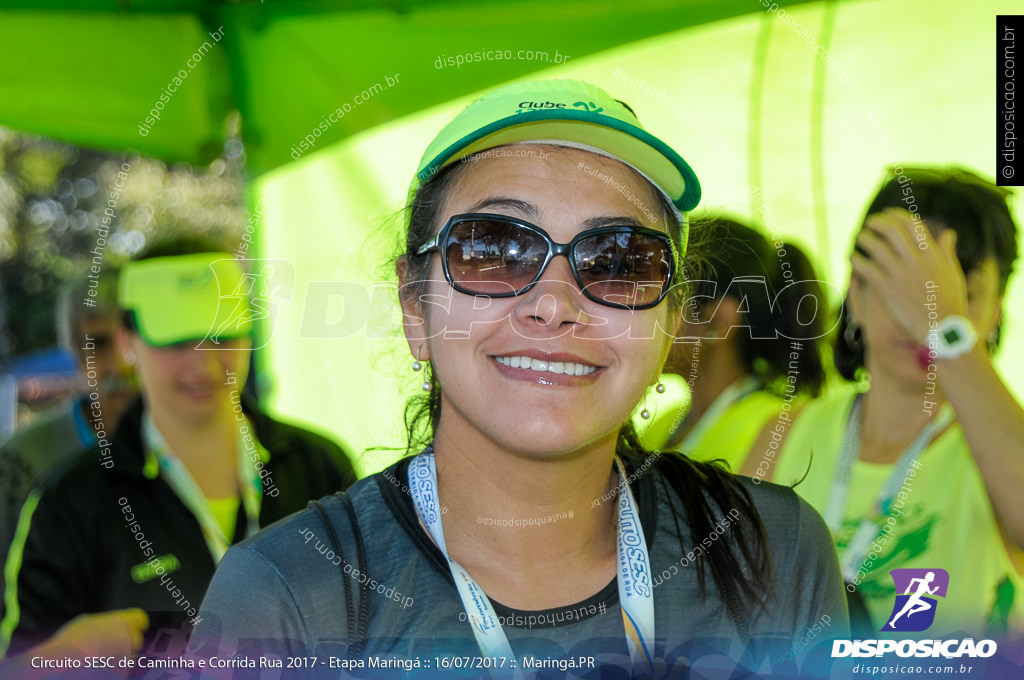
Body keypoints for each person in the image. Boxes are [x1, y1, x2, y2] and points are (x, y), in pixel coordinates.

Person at [189, 80, 847, 677]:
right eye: (493, 249)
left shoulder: (774, 553)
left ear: (671, 320)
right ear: (415, 305)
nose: (554, 303)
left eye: (619, 260)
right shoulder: (286, 592)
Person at [0, 240, 358, 661]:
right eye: (176, 342)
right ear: (127, 341)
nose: (203, 365)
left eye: (222, 338)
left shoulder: (320, 466)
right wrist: (68, 657)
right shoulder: (70, 504)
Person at [769, 167, 1024, 638]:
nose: (920, 318)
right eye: (901, 289)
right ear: (857, 293)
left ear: (996, 311)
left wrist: (948, 334)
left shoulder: (999, 446)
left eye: (957, 296)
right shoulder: (785, 429)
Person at [641, 218, 829, 472]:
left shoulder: (769, 433)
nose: (641, 311)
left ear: (719, 321)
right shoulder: (665, 423)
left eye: (667, 295)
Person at [0, 269, 136, 562]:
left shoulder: (192, 449)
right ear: (75, 352)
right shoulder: (20, 462)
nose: (121, 363)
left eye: (131, 338)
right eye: (98, 344)